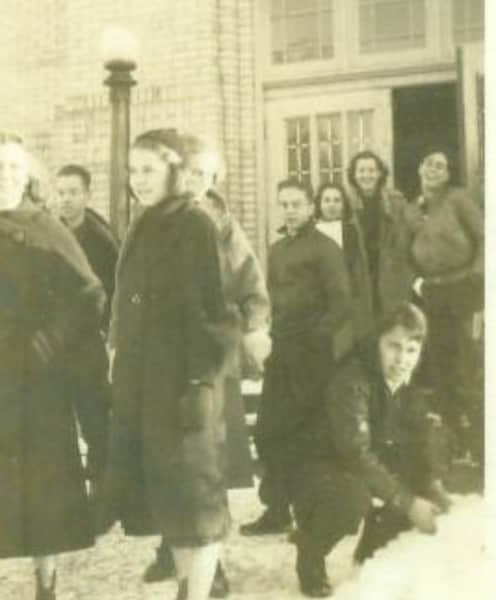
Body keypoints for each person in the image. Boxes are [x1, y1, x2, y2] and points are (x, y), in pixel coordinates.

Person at [0, 132, 106, 600]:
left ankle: (45, 583)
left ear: (29, 175)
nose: (5, 175)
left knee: (43, 486)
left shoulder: (48, 228)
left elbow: (90, 294)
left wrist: (49, 342)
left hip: (37, 375)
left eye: (14, 167)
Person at [103, 128, 240, 600]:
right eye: (133, 171)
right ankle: (190, 589)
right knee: (171, 506)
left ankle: (198, 593)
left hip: (185, 385)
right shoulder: (145, 222)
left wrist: (202, 382)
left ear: (173, 171)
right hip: (147, 385)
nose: (138, 180)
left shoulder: (194, 223)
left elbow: (216, 311)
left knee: (194, 505)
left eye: (148, 170)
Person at [140, 134, 271, 598]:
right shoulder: (160, 222)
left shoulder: (220, 226)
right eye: (188, 173)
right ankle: (177, 552)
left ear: (215, 180)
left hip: (210, 364)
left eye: (203, 175)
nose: (193, 182)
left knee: (206, 467)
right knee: (173, 463)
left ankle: (210, 570)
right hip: (166, 363)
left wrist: (254, 329)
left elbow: (251, 287)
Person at [284, 302, 450, 597]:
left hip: (364, 464)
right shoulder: (351, 379)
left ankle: (374, 546)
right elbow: (355, 453)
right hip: (320, 468)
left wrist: (431, 487)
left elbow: (423, 443)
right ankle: (310, 551)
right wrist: (408, 503)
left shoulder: (413, 383)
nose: (402, 359)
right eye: (393, 347)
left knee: (425, 487)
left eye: (411, 350)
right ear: (377, 343)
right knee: (352, 498)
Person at [240, 178, 352, 537]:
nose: (290, 211)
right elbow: (269, 299)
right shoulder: (276, 250)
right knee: (269, 430)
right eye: (284, 204)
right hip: (282, 350)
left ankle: (315, 518)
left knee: (309, 437)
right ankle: (276, 509)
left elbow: (342, 303)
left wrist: (316, 339)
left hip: (313, 355)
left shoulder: (326, 249)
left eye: (296, 204)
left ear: (310, 207)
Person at [406, 149, 484, 453]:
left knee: (470, 363)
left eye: (441, 166)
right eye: (429, 164)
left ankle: (480, 445)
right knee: (441, 365)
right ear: (420, 169)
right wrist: (417, 281)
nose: (434, 170)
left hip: (464, 287)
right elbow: (404, 252)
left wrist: (478, 276)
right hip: (433, 293)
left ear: (448, 175)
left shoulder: (459, 200)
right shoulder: (412, 210)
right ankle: (452, 442)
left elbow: (484, 237)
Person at [55, 164, 119, 488]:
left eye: (73, 192)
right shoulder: (52, 231)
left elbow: (115, 291)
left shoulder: (100, 239)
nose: (66, 200)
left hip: (89, 342)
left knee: (95, 417)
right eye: (61, 192)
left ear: (87, 195)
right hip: (56, 341)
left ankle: (102, 492)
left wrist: (107, 336)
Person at [347, 150, 415, 316]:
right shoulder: (346, 204)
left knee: (391, 321)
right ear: (354, 175)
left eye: (371, 170)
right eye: (361, 171)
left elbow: (407, 237)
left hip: (389, 271)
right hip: (360, 271)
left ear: (379, 173)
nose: (366, 175)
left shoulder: (396, 202)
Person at [314, 181, 374, 346]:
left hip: (346, 301)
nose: (331, 205)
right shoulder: (311, 231)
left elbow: (358, 269)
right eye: (326, 200)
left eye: (336, 200)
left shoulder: (351, 232)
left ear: (343, 204)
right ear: (319, 204)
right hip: (316, 301)